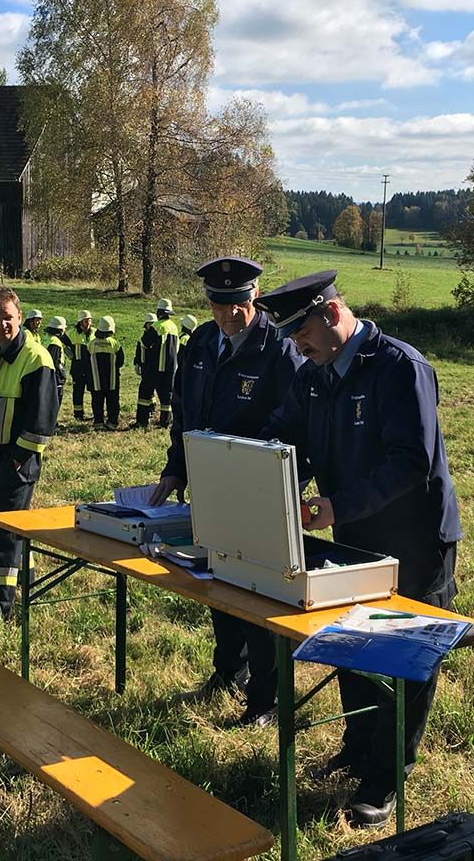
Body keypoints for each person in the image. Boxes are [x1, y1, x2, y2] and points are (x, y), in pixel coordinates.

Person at [257, 269, 461, 827]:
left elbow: (411, 462)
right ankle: (357, 744)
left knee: (405, 654)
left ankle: (387, 773)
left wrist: (337, 506)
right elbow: (286, 436)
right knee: (355, 644)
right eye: (291, 341)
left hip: (416, 541)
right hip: (353, 537)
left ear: (331, 313)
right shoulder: (314, 375)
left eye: (302, 335)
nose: (297, 348)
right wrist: (260, 473)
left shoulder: (400, 367)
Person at [149, 258, 304, 726]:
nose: (228, 314)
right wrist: (176, 468)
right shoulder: (199, 343)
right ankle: (227, 672)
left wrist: (273, 483)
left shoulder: (278, 348)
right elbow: (184, 411)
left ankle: (267, 699)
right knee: (216, 580)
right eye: (218, 303)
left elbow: (296, 420)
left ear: (254, 295)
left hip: (258, 490)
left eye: (238, 303)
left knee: (258, 591)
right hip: (208, 486)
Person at [0, 286, 58, 625]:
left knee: (3, 534)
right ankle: (29, 586)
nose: (3, 323)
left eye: (8, 317)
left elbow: (41, 422)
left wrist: (16, 462)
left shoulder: (37, 359)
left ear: (20, 317)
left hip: (16, 463)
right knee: (14, 527)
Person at [134, 300, 181, 428]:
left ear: (158, 312)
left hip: (155, 367)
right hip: (171, 368)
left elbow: (144, 342)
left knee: (144, 392)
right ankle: (165, 422)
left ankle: (142, 422)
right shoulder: (174, 327)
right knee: (167, 397)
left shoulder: (157, 326)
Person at [88, 315, 125, 430]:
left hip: (96, 379)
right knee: (113, 401)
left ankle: (98, 422)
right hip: (112, 379)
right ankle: (112, 422)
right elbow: (121, 361)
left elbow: (86, 361)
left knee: (97, 401)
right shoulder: (115, 344)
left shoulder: (91, 344)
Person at [70, 309, 94, 421]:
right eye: (86, 321)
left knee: (95, 391)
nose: (88, 323)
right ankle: (78, 414)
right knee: (78, 391)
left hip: (91, 367)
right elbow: (63, 345)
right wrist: (71, 356)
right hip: (78, 368)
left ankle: (96, 413)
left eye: (89, 321)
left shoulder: (94, 332)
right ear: (80, 322)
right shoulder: (72, 333)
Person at [45, 315, 71, 408]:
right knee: (54, 402)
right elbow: (54, 362)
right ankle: (53, 422)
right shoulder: (55, 342)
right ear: (61, 330)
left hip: (47, 377)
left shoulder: (47, 338)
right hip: (55, 378)